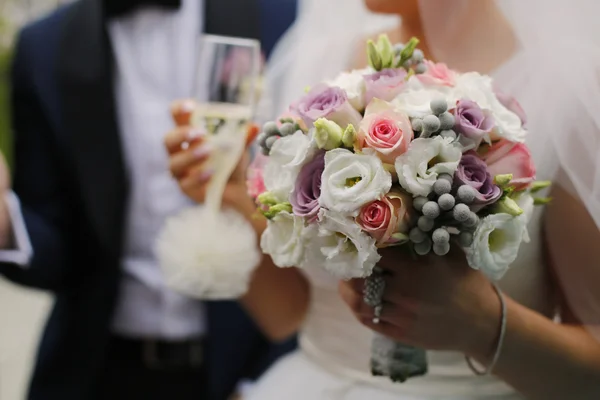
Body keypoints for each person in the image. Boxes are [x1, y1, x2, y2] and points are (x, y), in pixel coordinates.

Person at [168, 0, 600, 399]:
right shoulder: (323, 60)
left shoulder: (566, 89)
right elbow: (288, 316)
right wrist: (231, 199)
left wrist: (485, 326)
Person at [0, 0, 297, 399]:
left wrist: (270, 381)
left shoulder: (281, 17)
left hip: (248, 368)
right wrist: (6, 224)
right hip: (98, 371)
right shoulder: (43, 45)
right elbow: (57, 252)